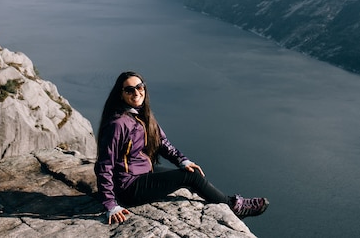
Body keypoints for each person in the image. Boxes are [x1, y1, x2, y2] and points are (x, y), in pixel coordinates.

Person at [95, 71, 269, 224]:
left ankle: (227, 202)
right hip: (128, 188)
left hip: (142, 173)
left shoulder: (141, 115)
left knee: (190, 172)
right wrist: (111, 204)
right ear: (121, 94)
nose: (136, 92)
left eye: (139, 87)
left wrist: (182, 161)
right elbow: (104, 165)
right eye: (129, 90)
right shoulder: (118, 123)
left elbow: (162, 143)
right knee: (190, 178)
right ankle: (233, 206)